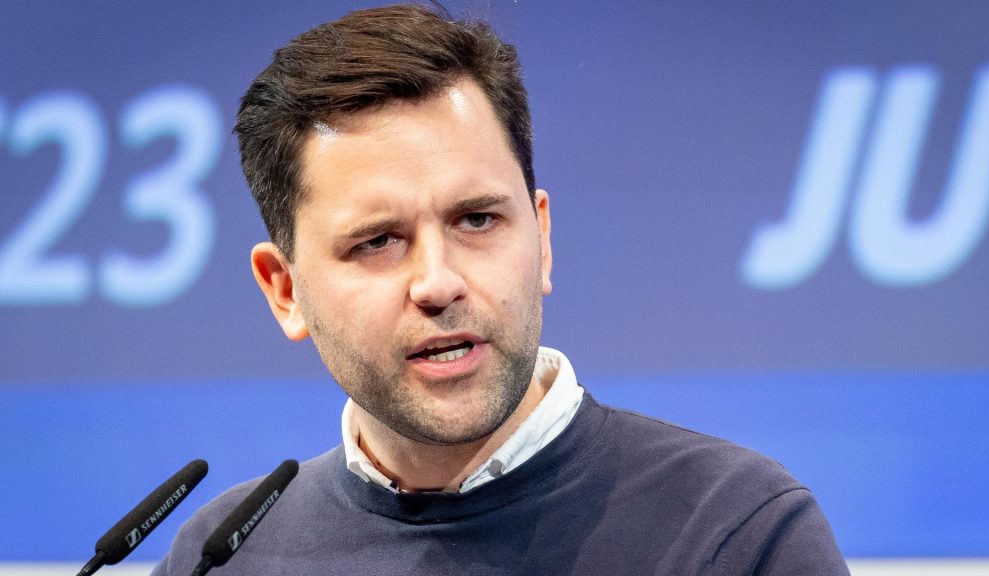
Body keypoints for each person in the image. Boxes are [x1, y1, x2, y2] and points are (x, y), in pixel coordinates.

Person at [153, 4, 850, 575]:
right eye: (377, 241)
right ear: (285, 290)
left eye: (477, 220)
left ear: (541, 238)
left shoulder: (733, 530)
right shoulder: (224, 554)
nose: (438, 282)